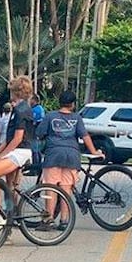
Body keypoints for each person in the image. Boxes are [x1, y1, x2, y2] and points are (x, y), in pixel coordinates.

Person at [35, 91, 104, 230]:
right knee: (66, 189)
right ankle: (64, 221)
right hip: (72, 156)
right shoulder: (77, 118)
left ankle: (48, 220)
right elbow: (85, 136)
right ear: (72, 104)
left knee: (51, 188)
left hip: (53, 154)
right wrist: (94, 152)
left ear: (59, 102)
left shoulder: (50, 116)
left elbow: (39, 133)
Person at [0, 77, 36, 233]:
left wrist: (2, 156)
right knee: (9, 187)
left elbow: (17, 138)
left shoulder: (21, 110)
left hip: (20, 150)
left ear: (16, 91)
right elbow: (7, 139)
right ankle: (9, 221)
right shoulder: (18, 109)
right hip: (15, 148)